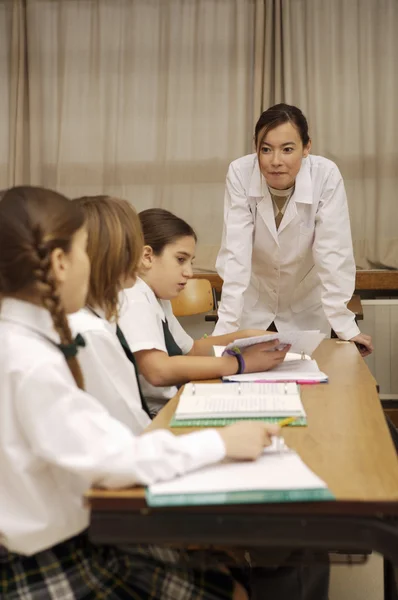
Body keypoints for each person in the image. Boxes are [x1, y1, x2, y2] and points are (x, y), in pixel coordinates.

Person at [0, 185, 283, 600]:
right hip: (47, 558)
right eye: (85, 251)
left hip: (64, 538)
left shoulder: (25, 340)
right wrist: (222, 441)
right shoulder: (31, 359)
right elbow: (113, 459)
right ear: (60, 263)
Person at [214, 103, 373, 357]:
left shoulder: (326, 175)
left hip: (305, 307)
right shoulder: (240, 173)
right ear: (256, 148)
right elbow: (236, 254)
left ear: (306, 147)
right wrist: (224, 330)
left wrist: (344, 324)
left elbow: (333, 253)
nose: (276, 161)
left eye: (287, 149)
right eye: (266, 149)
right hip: (252, 305)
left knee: (309, 384)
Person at [118, 207, 290, 415]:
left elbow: (192, 350)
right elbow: (158, 371)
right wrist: (240, 363)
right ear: (147, 256)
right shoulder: (134, 298)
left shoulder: (156, 296)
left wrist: (246, 336)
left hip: (175, 402)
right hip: (156, 418)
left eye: (191, 262)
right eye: (180, 260)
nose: (189, 272)